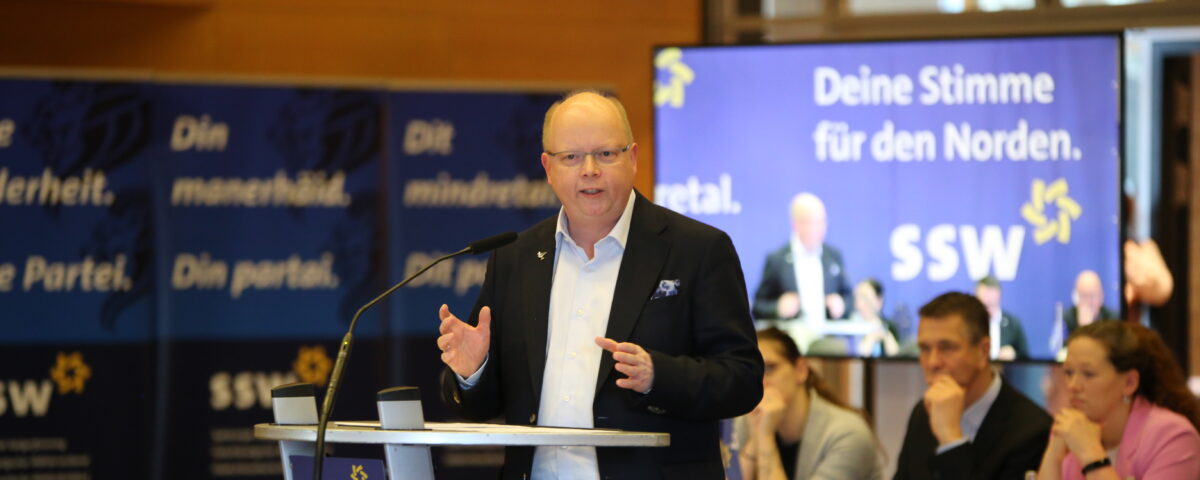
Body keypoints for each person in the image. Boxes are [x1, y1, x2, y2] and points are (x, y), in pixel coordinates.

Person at [435, 90, 764, 479]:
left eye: (606, 154)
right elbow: (482, 406)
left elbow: (742, 379)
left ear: (633, 158)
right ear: (548, 167)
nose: (589, 169)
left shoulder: (698, 250)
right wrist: (474, 371)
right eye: (571, 157)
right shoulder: (516, 258)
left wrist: (660, 376)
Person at [894, 292, 1051, 480]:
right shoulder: (923, 413)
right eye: (925, 349)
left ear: (983, 351)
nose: (933, 362)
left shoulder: (1031, 430)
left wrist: (951, 438)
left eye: (947, 347)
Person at [1035, 321, 1200, 480]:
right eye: (1069, 372)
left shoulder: (1172, 437)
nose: (1073, 385)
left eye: (1088, 374)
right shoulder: (1069, 429)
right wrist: (1053, 457)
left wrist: (1091, 454)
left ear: (1129, 383)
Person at [737, 327, 882, 480]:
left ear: (800, 370)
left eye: (770, 368)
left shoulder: (847, 433)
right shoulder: (747, 421)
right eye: (752, 372)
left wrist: (765, 438)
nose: (761, 382)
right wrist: (755, 440)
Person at [752, 193, 852, 323]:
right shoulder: (777, 259)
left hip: (827, 339)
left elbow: (850, 298)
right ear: (797, 224)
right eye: (815, 222)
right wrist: (778, 308)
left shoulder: (833, 256)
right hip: (790, 338)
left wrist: (842, 305)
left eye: (823, 221)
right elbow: (758, 307)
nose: (822, 228)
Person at [974, 276, 1030, 360]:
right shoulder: (969, 323)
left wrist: (1014, 354)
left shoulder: (1012, 323)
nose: (988, 309)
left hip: (1006, 372)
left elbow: (1025, 357)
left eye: (991, 304)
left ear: (999, 296)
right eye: (984, 305)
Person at [852, 278, 900, 358]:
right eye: (856, 298)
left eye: (865, 298)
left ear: (879, 301)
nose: (859, 304)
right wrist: (870, 339)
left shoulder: (889, 327)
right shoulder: (849, 328)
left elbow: (896, 359)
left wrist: (886, 337)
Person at [1063, 270, 1118, 336]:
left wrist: (1087, 329)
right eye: (1084, 295)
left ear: (1101, 297)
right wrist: (1082, 329)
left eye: (1092, 296)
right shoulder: (1066, 319)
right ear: (1076, 299)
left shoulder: (1113, 320)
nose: (1089, 301)